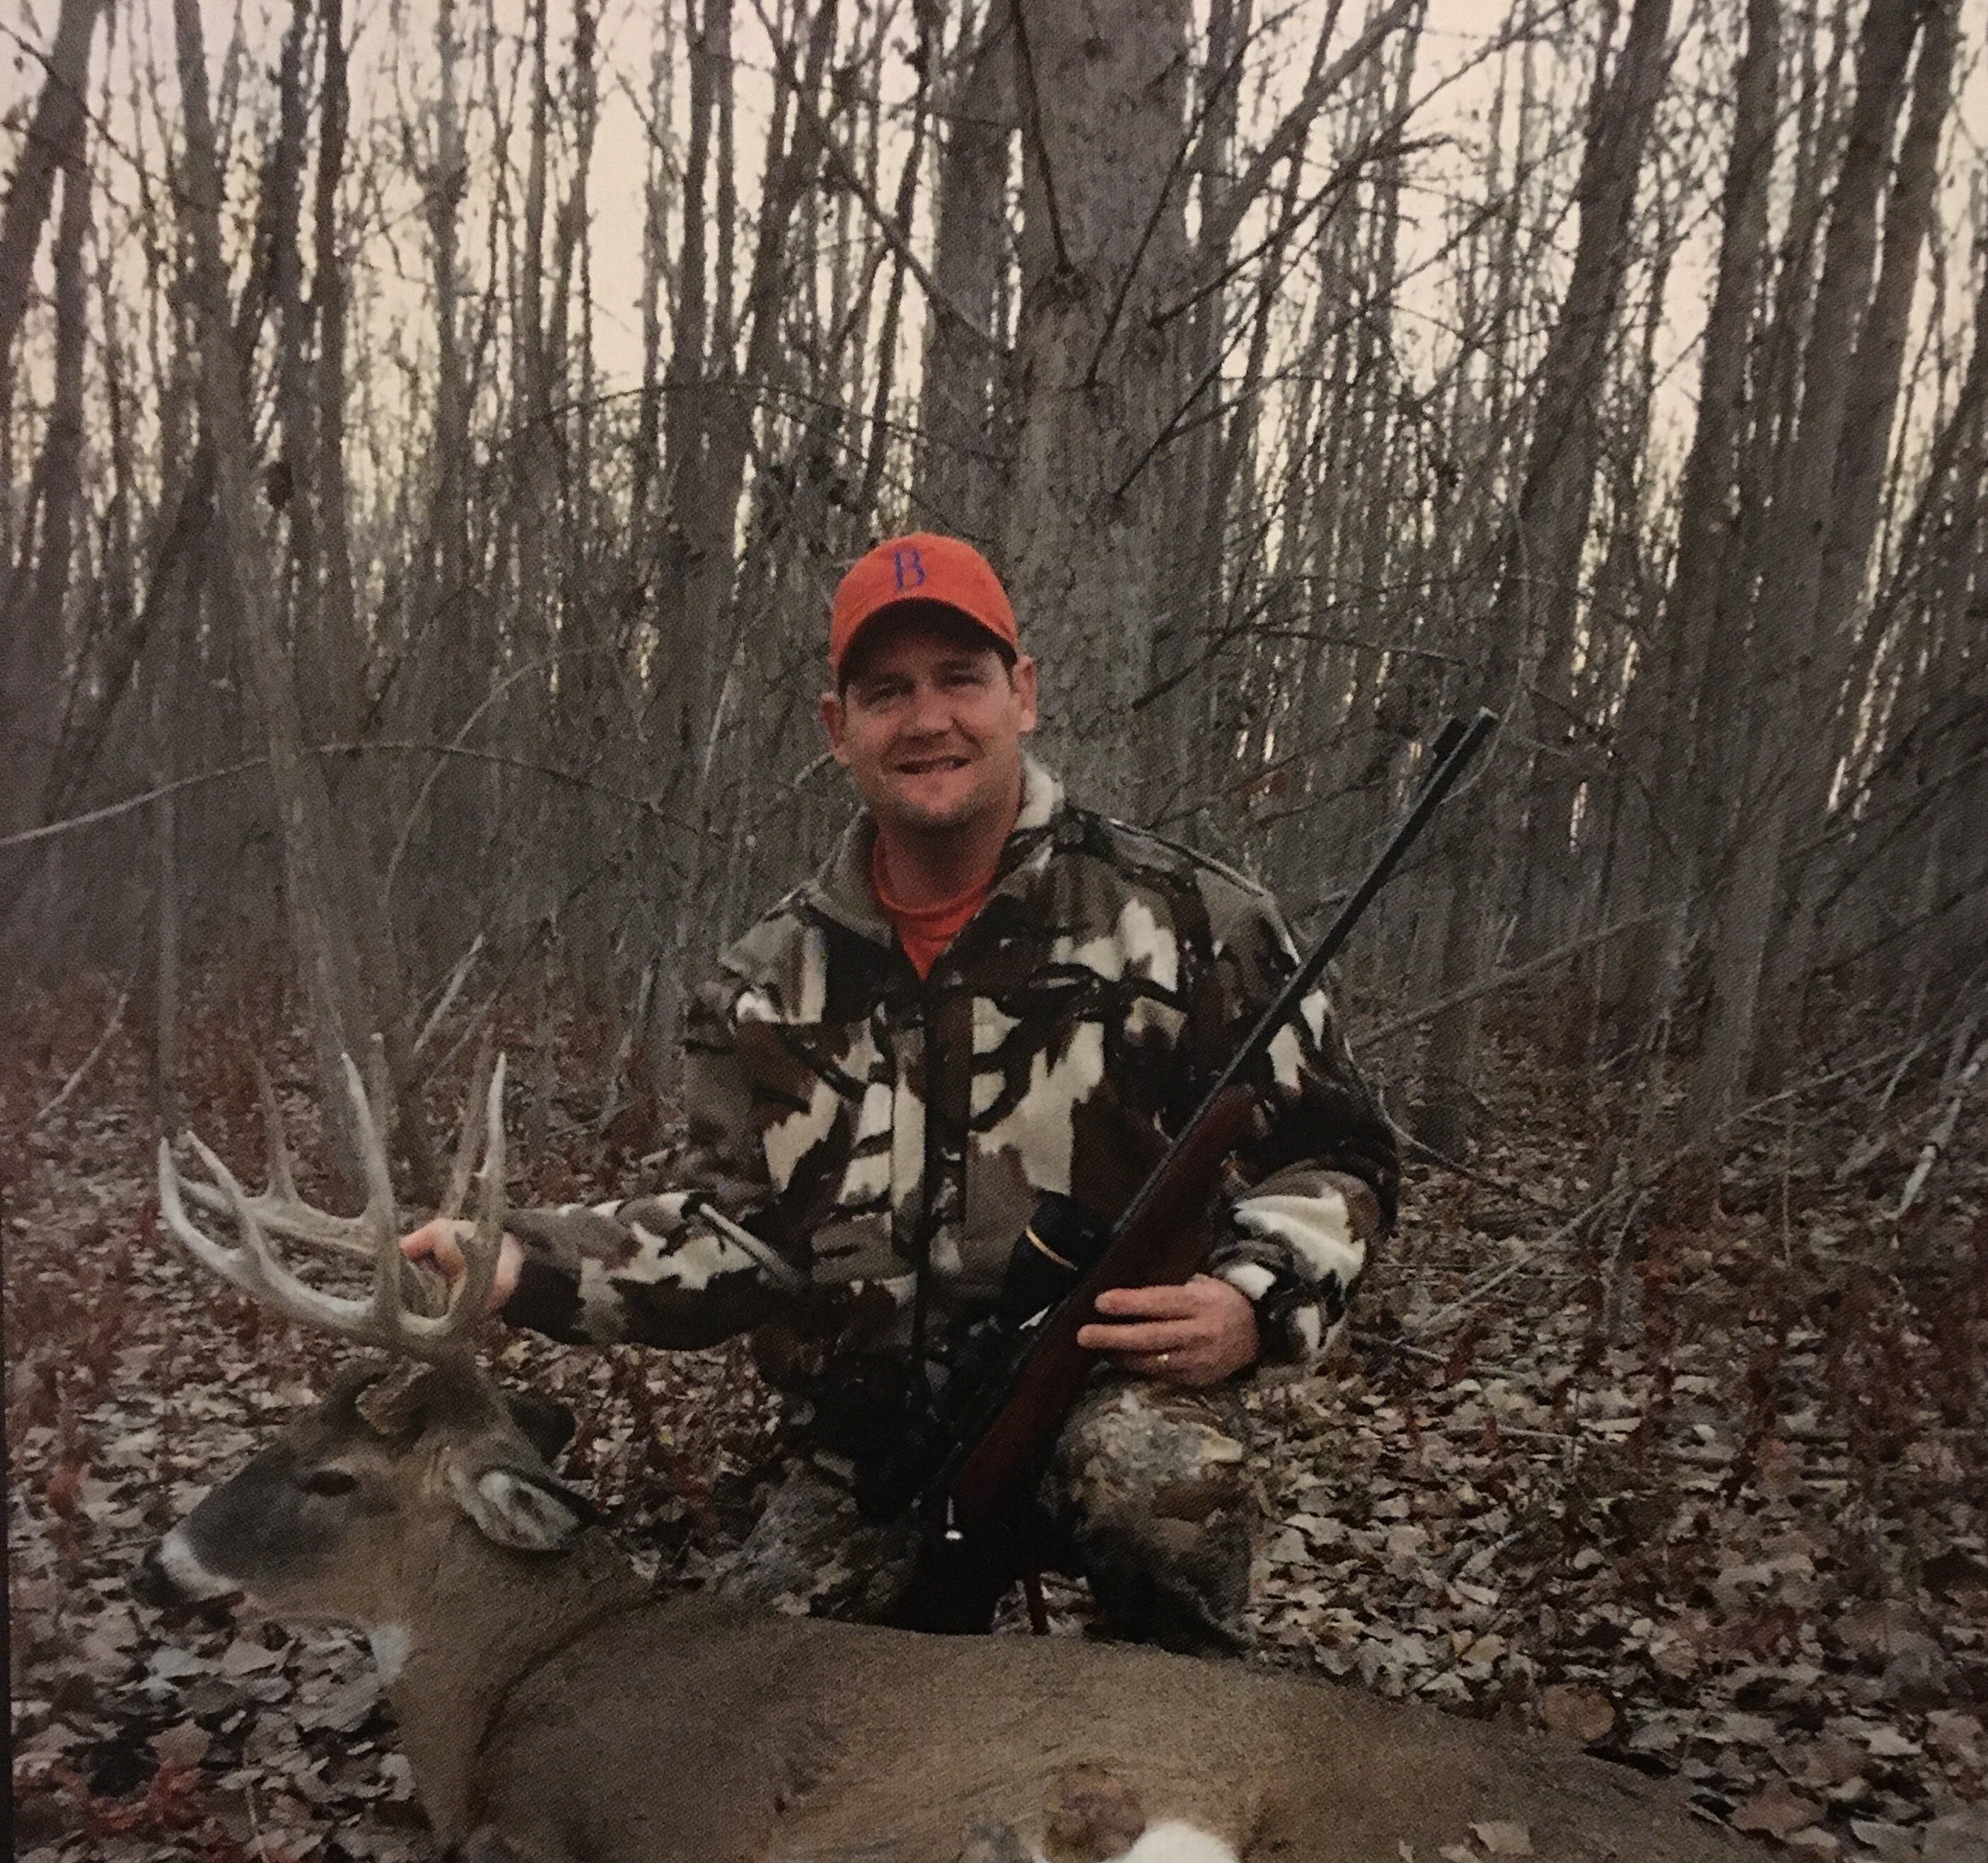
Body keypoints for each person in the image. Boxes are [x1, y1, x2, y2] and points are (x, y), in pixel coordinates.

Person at [405, 535, 1400, 1651]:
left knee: (1161, 1491)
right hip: (889, 1449)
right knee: (739, 1714)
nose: (928, 721)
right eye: (887, 692)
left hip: (1120, 1402)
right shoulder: (765, 983)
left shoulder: (1191, 921)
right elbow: (734, 1234)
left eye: (960, 680)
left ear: (1021, 696)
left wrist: (1252, 1298)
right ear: (839, 731)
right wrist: (519, 1263)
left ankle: (1185, 1732)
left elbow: (1340, 1154)